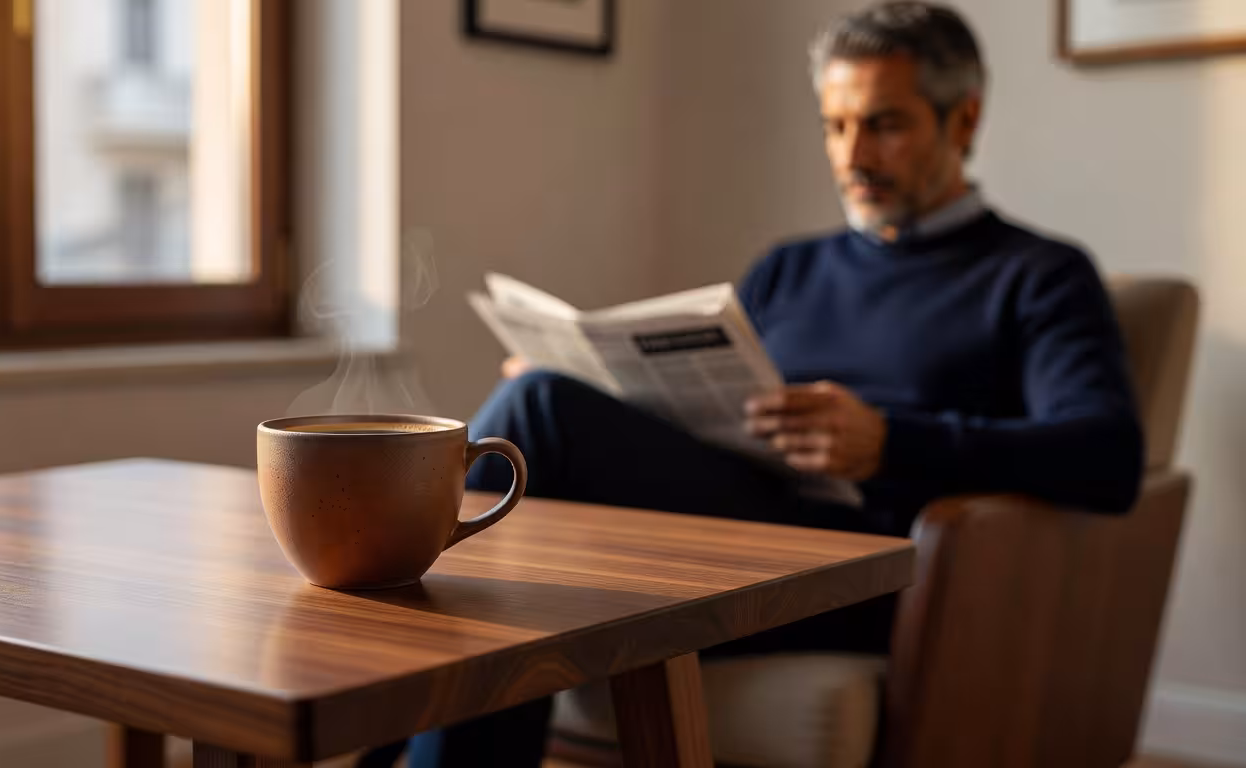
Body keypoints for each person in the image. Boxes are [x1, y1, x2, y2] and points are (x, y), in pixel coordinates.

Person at [394, 2, 1144, 766]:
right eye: (835, 125)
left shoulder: (1039, 276)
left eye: (884, 124)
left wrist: (889, 441)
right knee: (541, 427)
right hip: (735, 532)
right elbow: (698, 416)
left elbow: (1108, 455)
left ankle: (382, 720)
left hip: (875, 573)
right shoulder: (790, 268)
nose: (853, 155)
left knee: (536, 421)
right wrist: (601, 387)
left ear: (963, 121)